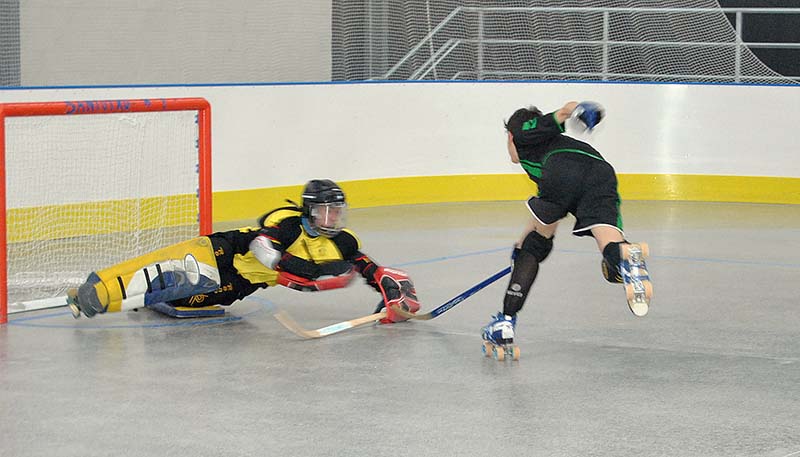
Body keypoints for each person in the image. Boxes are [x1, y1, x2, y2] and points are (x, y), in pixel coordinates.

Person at [67, 179, 420, 323]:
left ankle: (160, 293)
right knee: (185, 274)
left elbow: (365, 265)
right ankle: (97, 292)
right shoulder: (287, 221)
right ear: (310, 210)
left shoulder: (342, 240)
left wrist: (389, 289)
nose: (334, 218)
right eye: (327, 211)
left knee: (184, 299)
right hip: (221, 252)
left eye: (337, 211)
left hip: (241, 284)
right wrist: (312, 274)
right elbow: (264, 251)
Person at [481, 101, 652, 348]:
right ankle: (628, 262)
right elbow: (545, 216)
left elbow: (564, 111)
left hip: (562, 170)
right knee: (610, 242)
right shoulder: (550, 151)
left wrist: (581, 108)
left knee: (535, 247)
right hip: (601, 171)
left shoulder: (521, 131)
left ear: (509, 136)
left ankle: (505, 322)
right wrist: (521, 245)